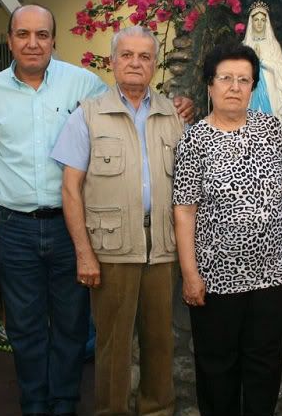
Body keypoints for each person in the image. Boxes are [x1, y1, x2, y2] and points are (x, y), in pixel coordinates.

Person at [0, 4, 193, 416]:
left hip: (77, 228)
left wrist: (181, 104)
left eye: (42, 34)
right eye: (23, 34)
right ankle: (35, 404)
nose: (33, 43)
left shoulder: (87, 86)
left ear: (54, 41)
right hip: (20, 227)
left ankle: (65, 404)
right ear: (9, 41)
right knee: (25, 326)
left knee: (74, 326)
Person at [53, 26, 183, 416]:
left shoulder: (173, 115)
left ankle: (158, 410)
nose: (135, 63)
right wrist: (84, 254)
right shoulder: (88, 115)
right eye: (127, 55)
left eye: (144, 56)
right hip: (111, 249)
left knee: (160, 342)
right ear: (112, 62)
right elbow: (70, 189)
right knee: (113, 346)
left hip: (162, 248)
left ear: (155, 63)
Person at [173, 42, 282, 416]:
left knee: (265, 361)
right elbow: (184, 211)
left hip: (274, 273)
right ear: (210, 84)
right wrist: (190, 274)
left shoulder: (271, 129)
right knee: (216, 363)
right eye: (226, 78)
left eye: (244, 80)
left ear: (253, 87)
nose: (234, 87)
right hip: (217, 276)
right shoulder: (194, 139)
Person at [243, 1, 282, 120]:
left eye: (262, 20)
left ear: (266, 22)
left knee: (270, 118)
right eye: (256, 20)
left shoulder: (273, 45)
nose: (259, 23)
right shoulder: (245, 45)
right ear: (251, 22)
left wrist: (262, 61)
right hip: (250, 88)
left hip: (270, 88)